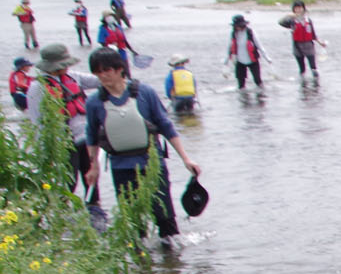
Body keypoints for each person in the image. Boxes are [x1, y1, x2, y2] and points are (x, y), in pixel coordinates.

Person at [84, 47, 201, 242]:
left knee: (165, 217)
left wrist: (186, 159)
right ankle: (142, 265)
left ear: (120, 69)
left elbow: (165, 125)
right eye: (97, 72)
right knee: (132, 222)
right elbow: (91, 135)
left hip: (152, 165)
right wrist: (93, 166)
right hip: (120, 166)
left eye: (107, 70)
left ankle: (172, 262)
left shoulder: (144, 93)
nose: (102, 76)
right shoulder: (95, 102)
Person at [24, 44, 107, 225]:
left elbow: (100, 80)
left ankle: (95, 211)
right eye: (63, 64)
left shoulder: (73, 77)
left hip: (85, 138)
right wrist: (44, 148)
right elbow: (37, 120)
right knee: (69, 181)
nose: (67, 67)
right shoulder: (38, 88)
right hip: (63, 143)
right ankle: (61, 217)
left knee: (91, 176)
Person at [224, 15, 266, 90]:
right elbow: (230, 47)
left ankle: (261, 95)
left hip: (252, 60)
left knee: (257, 81)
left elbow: (259, 45)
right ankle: (243, 99)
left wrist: (267, 58)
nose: (237, 27)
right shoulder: (234, 34)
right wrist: (226, 61)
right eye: (235, 26)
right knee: (241, 85)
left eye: (238, 25)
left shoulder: (250, 32)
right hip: (240, 61)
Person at [286, 1, 321, 81]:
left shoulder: (308, 20)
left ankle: (316, 85)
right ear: (294, 9)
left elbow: (313, 34)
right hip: (297, 47)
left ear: (303, 9)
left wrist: (320, 43)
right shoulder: (291, 21)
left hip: (309, 46)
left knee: (313, 68)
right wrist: (289, 15)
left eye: (300, 7)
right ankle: (303, 84)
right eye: (296, 8)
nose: (298, 10)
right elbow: (281, 22)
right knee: (302, 69)